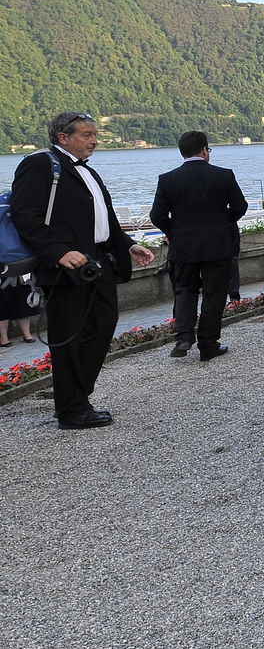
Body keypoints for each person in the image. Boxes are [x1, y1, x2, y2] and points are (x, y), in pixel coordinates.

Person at [9, 112, 155, 428]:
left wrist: (128, 244)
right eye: (87, 134)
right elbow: (25, 216)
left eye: (94, 134)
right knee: (68, 337)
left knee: (104, 324)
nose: (94, 140)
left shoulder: (87, 171)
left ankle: (76, 396)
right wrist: (59, 252)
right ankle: (71, 409)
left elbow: (105, 220)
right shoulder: (39, 165)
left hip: (96, 263)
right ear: (64, 137)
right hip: (64, 269)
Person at [149, 130, 248, 361]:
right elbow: (240, 206)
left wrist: (174, 231)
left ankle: (184, 337)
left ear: (182, 152)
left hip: (183, 246)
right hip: (217, 246)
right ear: (205, 150)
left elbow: (157, 215)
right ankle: (208, 345)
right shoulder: (224, 176)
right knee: (214, 295)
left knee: (184, 290)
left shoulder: (167, 179)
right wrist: (222, 222)